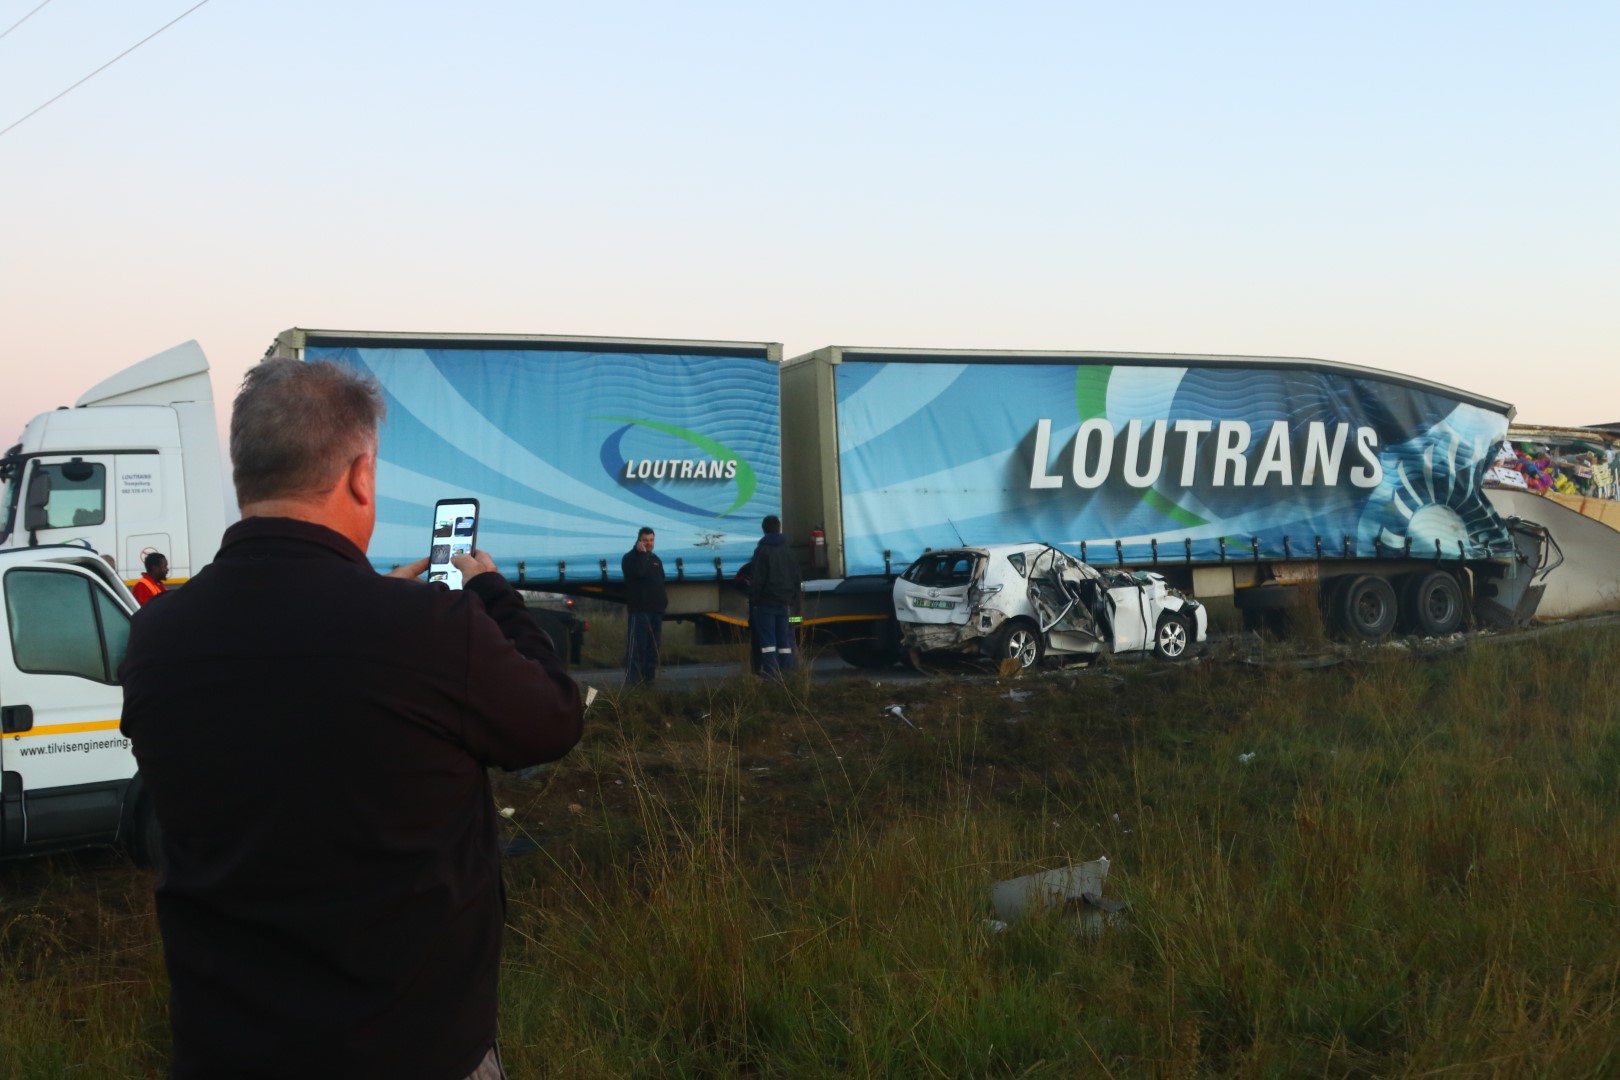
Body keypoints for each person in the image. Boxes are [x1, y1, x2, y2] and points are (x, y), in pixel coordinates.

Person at [118, 359, 584, 1080]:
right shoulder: (429, 628)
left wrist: (382, 604)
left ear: (245, 476)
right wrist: (489, 590)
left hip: (224, 1048)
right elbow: (553, 717)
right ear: (361, 475)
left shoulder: (156, 634)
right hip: (411, 1049)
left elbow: (284, 684)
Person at [748, 515, 801, 678]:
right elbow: (796, 579)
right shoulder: (789, 551)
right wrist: (794, 602)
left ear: (764, 530)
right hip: (785, 605)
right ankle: (788, 674)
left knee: (768, 643)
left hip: (765, 605)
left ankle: (771, 676)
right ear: (779, 528)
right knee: (784, 641)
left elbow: (757, 579)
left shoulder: (761, 551)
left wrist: (753, 601)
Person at [621, 526, 667, 685]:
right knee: (637, 648)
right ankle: (634, 682)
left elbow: (661, 580)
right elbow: (639, 573)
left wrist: (663, 604)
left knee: (653, 649)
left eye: (651, 540)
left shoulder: (656, 560)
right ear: (639, 541)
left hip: (656, 611)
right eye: (645, 540)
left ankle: (649, 681)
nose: (649, 543)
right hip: (640, 611)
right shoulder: (630, 558)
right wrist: (641, 554)